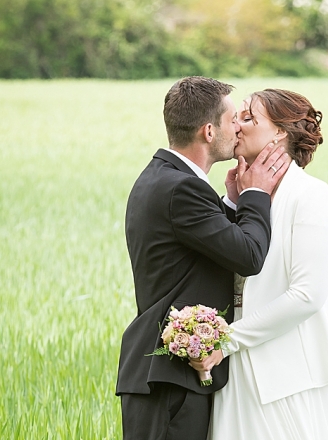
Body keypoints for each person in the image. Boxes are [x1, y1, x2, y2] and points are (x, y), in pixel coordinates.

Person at [116, 77, 291, 440]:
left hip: (166, 375)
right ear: (209, 131)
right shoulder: (182, 187)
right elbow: (248, 255)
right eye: (233, 121)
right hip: (168, 377)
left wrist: (229, 204)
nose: (239, 129)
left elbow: (200, 250)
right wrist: (256, 193)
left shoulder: (164, 177)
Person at [196, 89, 328, 439]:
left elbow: (307, 295)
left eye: (249, 118)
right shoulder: (244, 198)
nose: (236, 127)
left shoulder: (312, 197)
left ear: (279, 133)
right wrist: (232, 204)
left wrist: (225, 341)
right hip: (237, 374)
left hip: (295, 377)